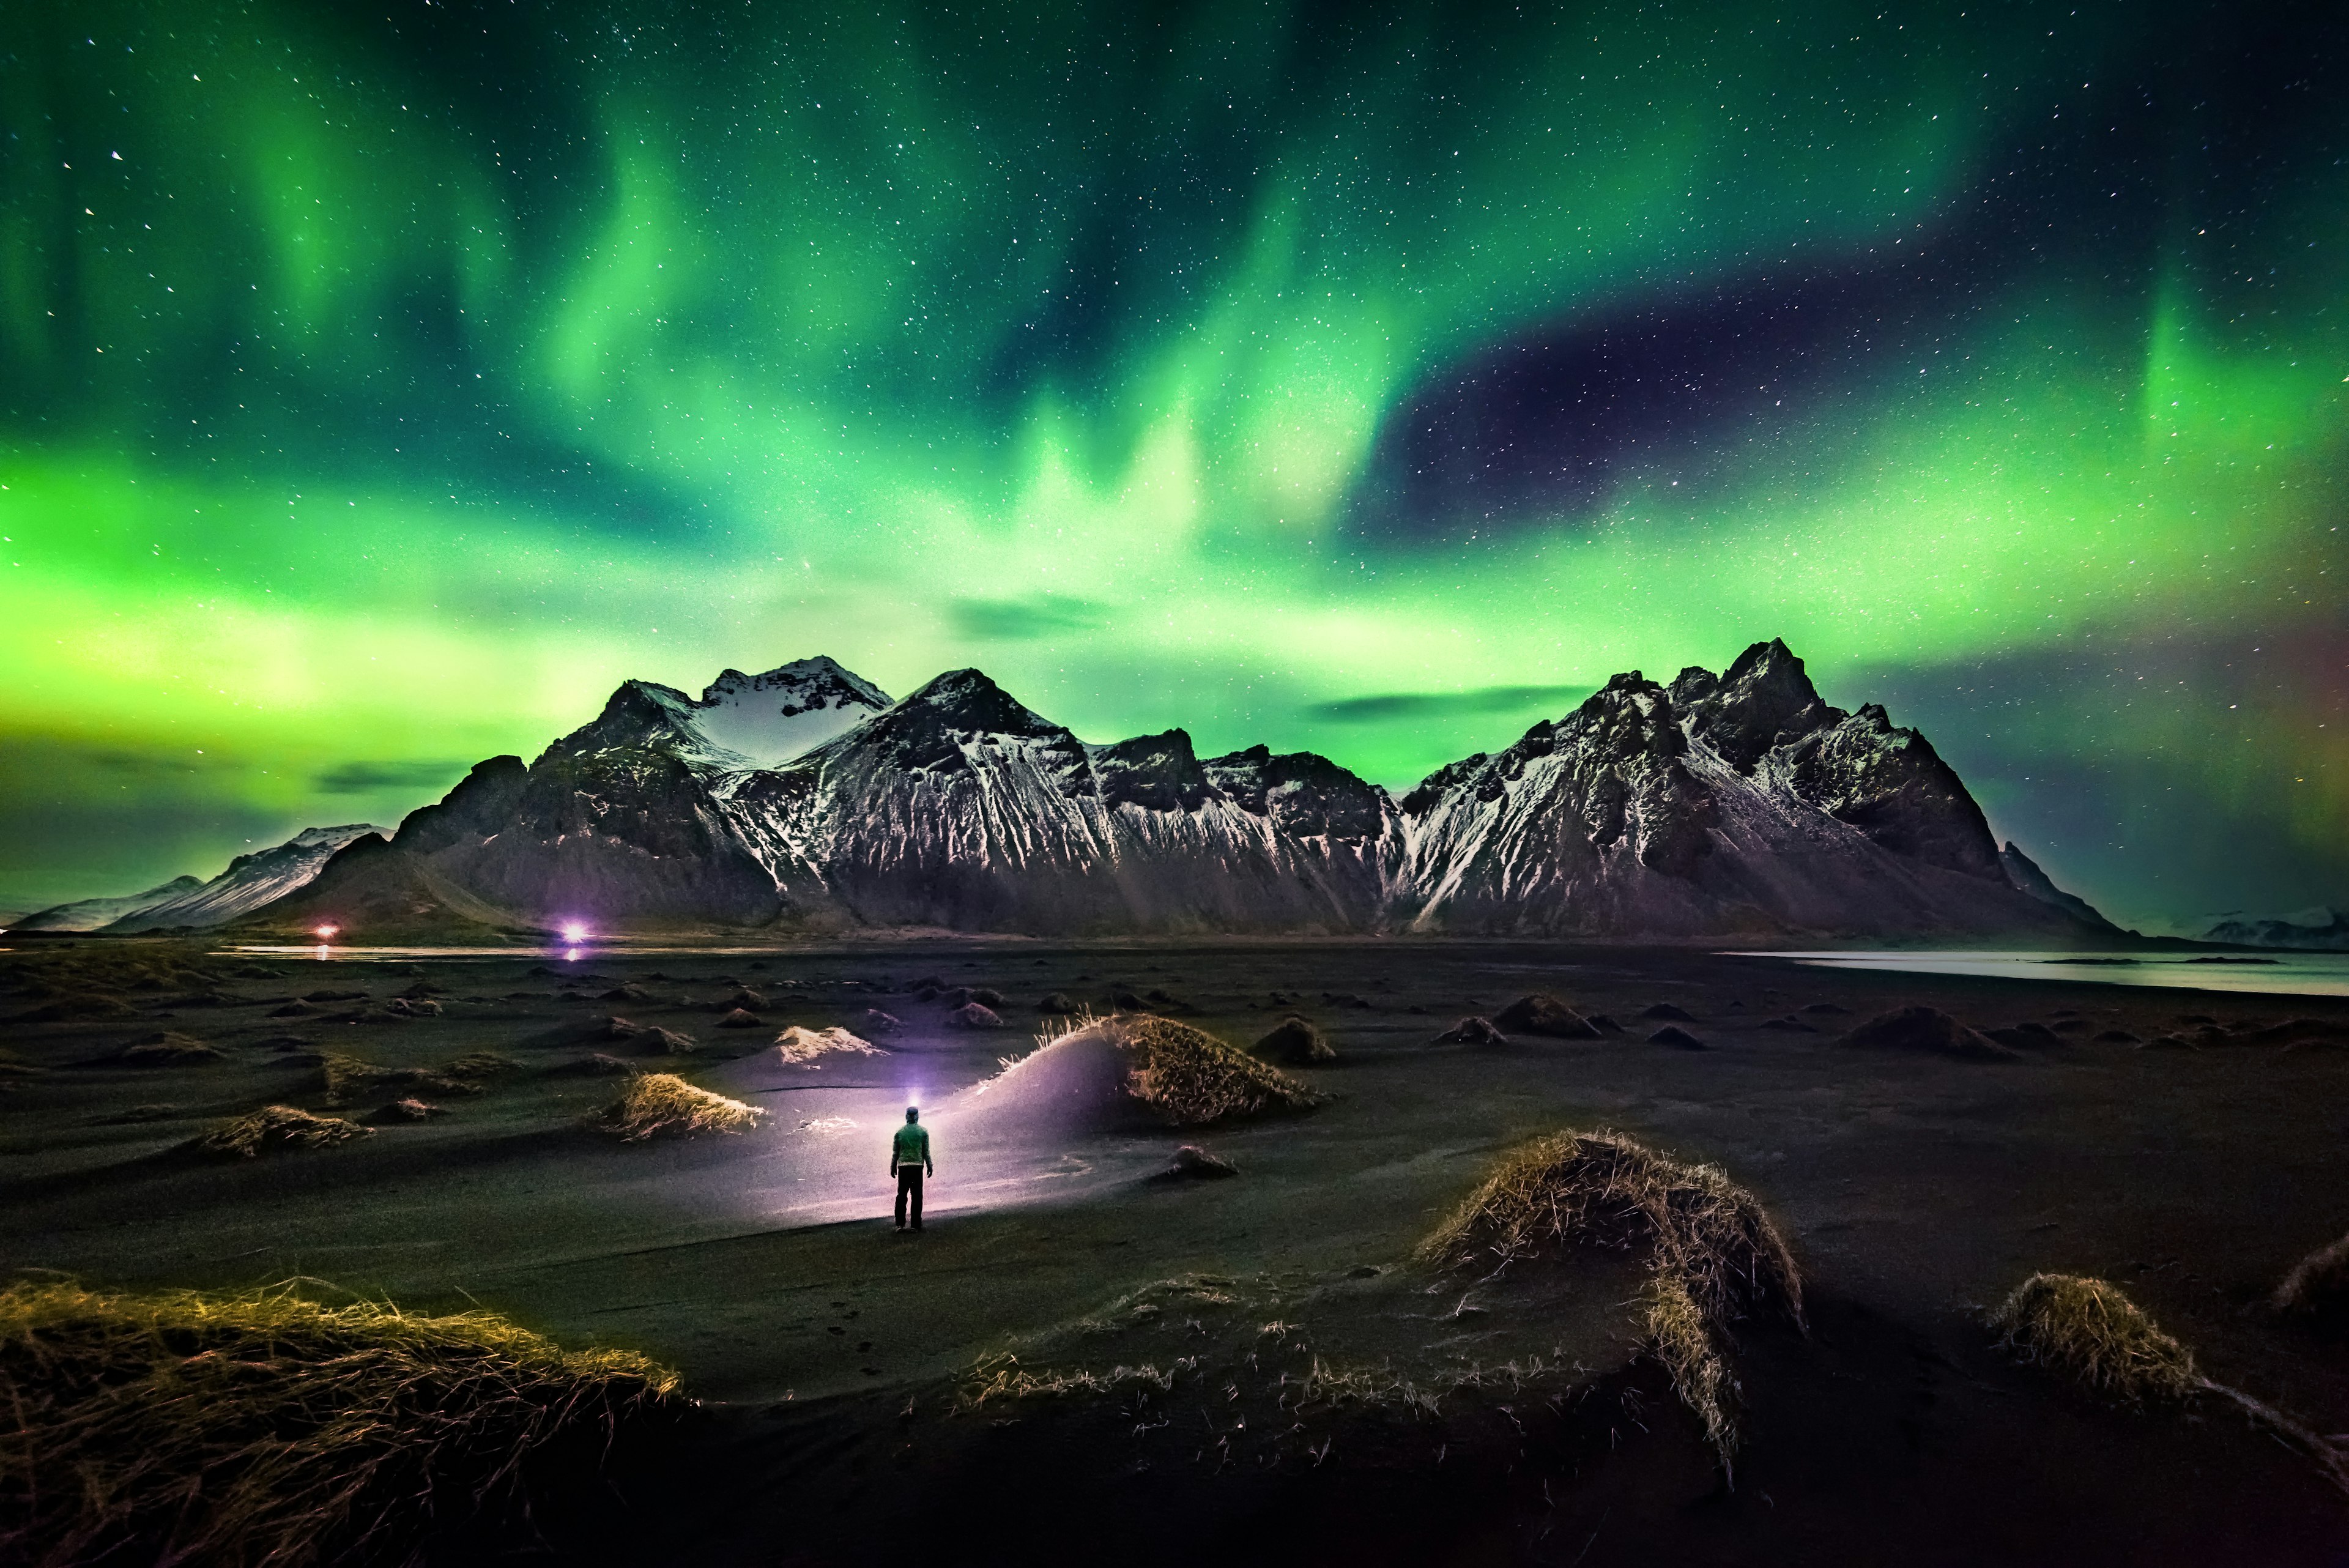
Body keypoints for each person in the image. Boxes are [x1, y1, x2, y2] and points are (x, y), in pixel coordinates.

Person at [891, 1106, 933, 1232]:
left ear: (907, 1116)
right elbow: (926, 1151)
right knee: (917, 1196)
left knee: (902, 1196)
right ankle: (915, 1225)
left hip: (903, 1167)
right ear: (917, 1116)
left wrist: (893, 1166)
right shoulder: (923, 1132)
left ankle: (900, 1224)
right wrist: (930, 1165)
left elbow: (895, 1152)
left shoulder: (900, 1132)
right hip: (917, 1167)